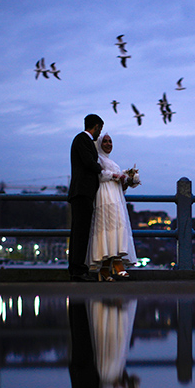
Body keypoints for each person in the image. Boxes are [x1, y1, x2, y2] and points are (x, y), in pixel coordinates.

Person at [86, 132, 138, 281]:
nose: (109, 144)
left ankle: (105, 269)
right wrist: (116, 176)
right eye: (105, 142)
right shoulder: (97, 158)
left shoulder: (112, 162)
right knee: (110, 226)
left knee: (117, 227)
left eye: (110, 141)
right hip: (105, 195)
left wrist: (128, 179)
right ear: (99, 144)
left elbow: (120, 184)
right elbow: (100, 175)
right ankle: (116, 262)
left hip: (116, 196)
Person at [68, 114, 104, 282]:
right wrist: (102, 170)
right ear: (96, 127)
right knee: (81, 233)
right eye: (100, 129)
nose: (100, 134)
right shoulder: (83, 139)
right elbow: (89, 162)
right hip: (82, 192)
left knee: (79, 232)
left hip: (81, 193)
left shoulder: (80, 140)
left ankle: (76, 268)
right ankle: (78, 270)